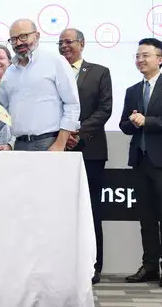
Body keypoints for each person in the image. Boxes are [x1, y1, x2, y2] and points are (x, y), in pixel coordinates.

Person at [120, 38, 162, 288]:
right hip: (140, 159)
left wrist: (148, 121)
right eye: (137, 56)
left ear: (160, 59)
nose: (140, 60)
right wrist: (133, 121)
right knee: (146, 217)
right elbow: (124, 125)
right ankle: (149, 265)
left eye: (145, 55)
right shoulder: (132, 91)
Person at [59, 28, 112, 284]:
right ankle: (62, 264)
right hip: (57, 149)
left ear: (81, 44)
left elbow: (105, 110)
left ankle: (93, 265)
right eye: (60, 43)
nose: (64, 46)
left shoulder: (100, 72)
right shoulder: (53, 72)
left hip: (90, 150)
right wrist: (61, 135)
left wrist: (76, 131)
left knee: (91, 210)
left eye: (69, 42)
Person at [0, 19, 80, 151]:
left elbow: (72, 104)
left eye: (23, 36)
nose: (18, 42)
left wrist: (60, 143)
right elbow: (4, 111)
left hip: (49, 143)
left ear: (37, 36)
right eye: (13, 39)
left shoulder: (55, 61)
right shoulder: (9, 72)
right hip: (18, 144)